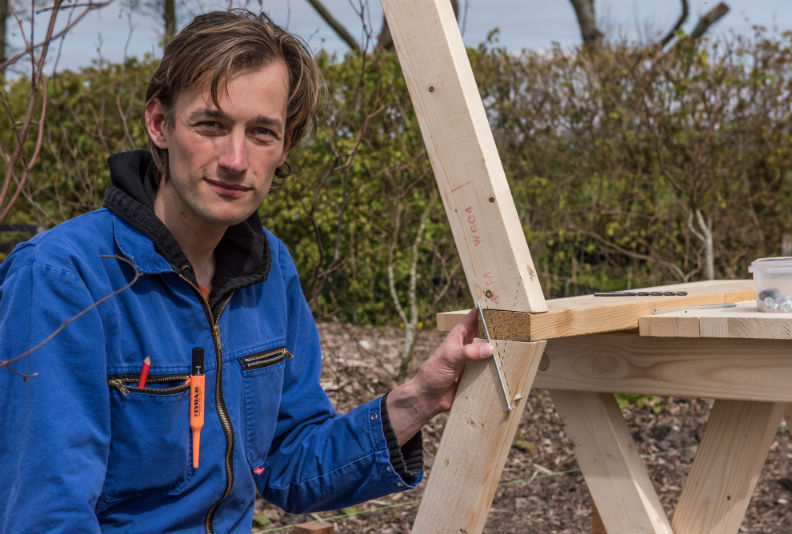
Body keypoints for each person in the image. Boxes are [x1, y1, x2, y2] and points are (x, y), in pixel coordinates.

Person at [0, 9, 493, 534]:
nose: (236, 159)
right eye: (212, 125)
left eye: (262, 132)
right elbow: (47, 515)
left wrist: (420, 397)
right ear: (160, 124)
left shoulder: (269, 270)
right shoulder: (63, 277)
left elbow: (289, 464)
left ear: (284, 148)